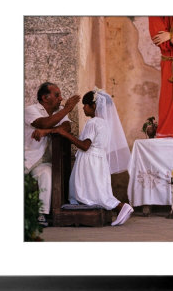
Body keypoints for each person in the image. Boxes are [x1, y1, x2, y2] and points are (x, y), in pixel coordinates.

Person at [50, 89, 133, 226]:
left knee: (96, 194)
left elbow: (85, 145)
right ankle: (119, 209)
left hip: (89, 161)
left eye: (85, 105)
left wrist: (64, 134)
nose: (83, 108)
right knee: (98, 191)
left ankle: (121, 207)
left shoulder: (93, 122)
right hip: (99, 160)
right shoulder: (105, 123)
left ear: (93, 106)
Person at [25, 82, 80, 226]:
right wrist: (67, 109)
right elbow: (43, 123)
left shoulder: (59, 111)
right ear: (45, 98)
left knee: (47, 174)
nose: (61, 98)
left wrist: (48, 131)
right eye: (57, 95)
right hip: (27, 158)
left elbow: (66, 126)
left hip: (44, 161)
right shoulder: (31, 110)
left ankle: (41, 214)